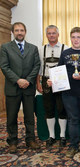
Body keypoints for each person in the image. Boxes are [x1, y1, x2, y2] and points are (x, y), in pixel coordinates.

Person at [48, 27, 80, 158]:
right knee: (73, 120)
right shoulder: (65, 54)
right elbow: (58, 71)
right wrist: (52, 81)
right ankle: (73, 145)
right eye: (73, 37)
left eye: (78, 37)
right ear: (70, 38)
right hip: (68, 93)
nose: (76, 40)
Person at [0, 22, 41, 153]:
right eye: (17, 30)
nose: (19, 32)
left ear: (25, 32)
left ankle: (30, 140)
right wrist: (18, 80)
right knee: (11, 117)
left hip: (28, 87)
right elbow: (4, 66)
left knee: (29, 116)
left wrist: (28, 80)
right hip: (13, 87)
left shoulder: (33, 48)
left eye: (22, 30)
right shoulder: (5, 47)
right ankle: (12, 142)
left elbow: (36, 66)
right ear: (13, 32)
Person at [36, 25, 69, 147]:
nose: (51, 35)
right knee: (48, 109)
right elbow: (39, 68)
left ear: (58, 34)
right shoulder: (41, 49)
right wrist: (38, 83)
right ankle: (51, 136)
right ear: (46, 35)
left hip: (61, 81)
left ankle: (62, 135)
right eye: (49, 33)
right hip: (46, 80)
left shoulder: (66, 48)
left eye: (53, 33)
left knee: (62, 108)